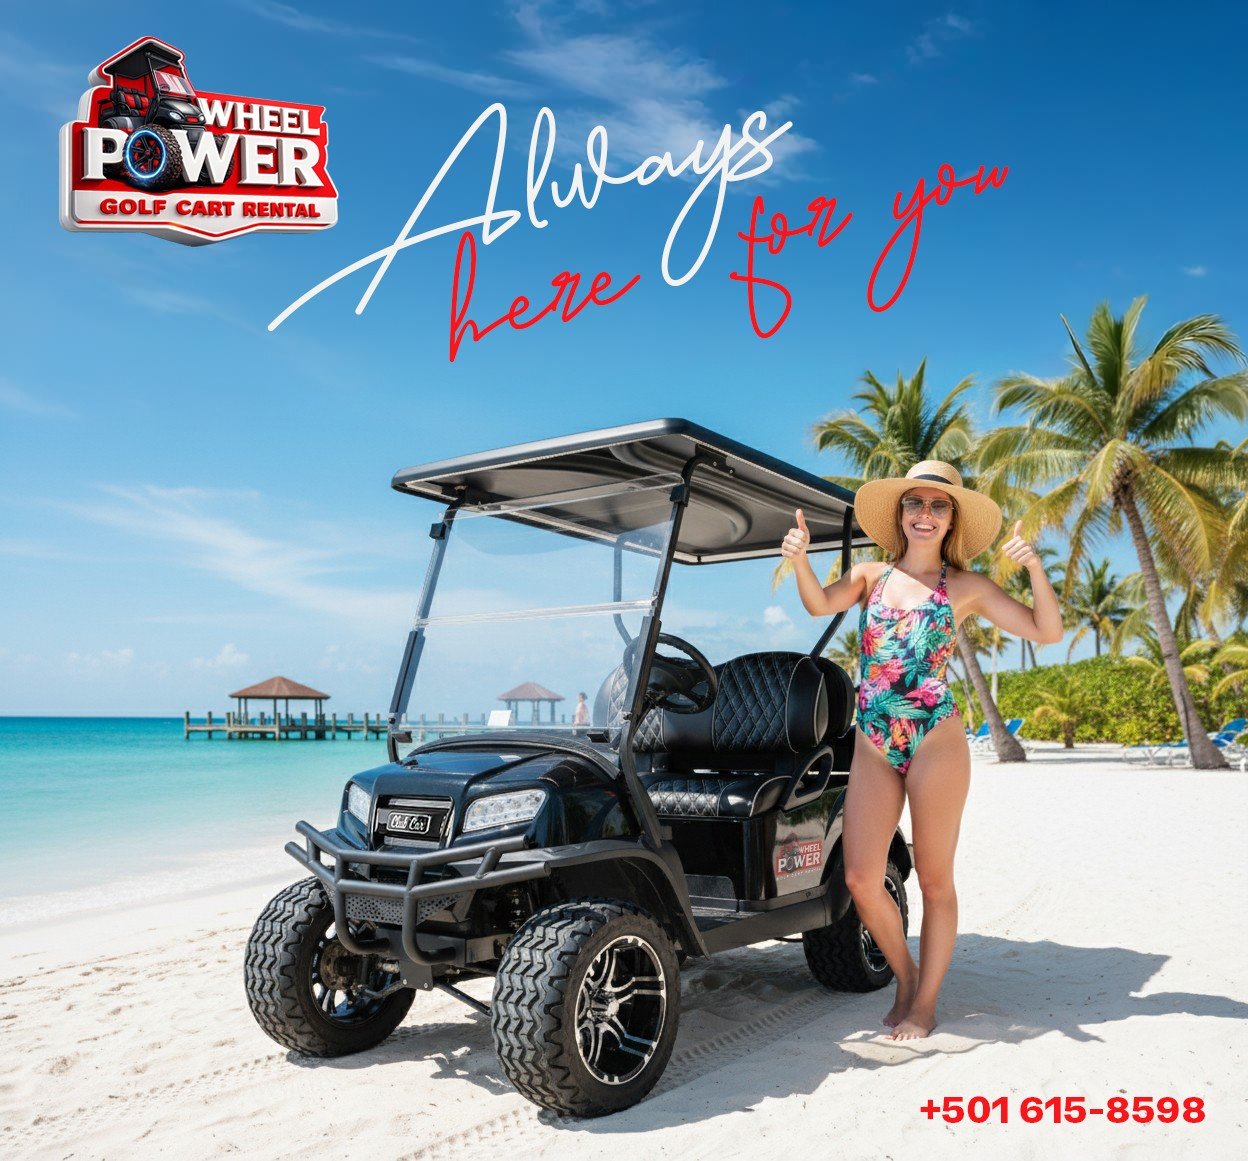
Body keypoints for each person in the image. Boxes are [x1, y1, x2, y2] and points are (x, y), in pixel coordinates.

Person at [780, 461, 1062, 1040]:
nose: (926, 515)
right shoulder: (870, 575)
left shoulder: (966, 587)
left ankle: (926, 1002)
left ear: (952, 518)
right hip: (874, 739)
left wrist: (1034, 568)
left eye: (939, 506)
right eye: (916, 504)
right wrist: (799, 558)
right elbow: (817, 604)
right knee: (860, 877)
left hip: (935, 737)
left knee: (935, 881)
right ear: (901, 514)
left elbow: (1045, 632)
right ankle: (906, 977)